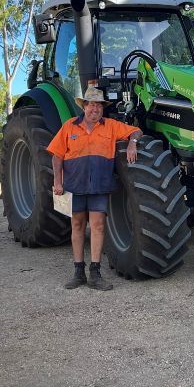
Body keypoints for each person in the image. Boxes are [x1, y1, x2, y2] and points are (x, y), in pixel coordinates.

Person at [47, 86, 142, 290]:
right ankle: (78, 271)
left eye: (99, 105)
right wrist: (57, 181)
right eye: (91, 105)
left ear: (102, 109)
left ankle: (95, 273)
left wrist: (133, 143)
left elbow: (136, 130)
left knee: (98, 226)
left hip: (99, 186)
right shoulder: (69, 127)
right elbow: (57, 156)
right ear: (84, 106)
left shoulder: (111, 126)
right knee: (78, 226)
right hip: (74, 185)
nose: (95, 109)